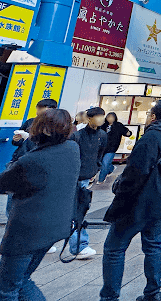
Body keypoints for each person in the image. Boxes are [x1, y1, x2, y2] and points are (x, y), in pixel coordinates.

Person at [99, 99, 161, 301]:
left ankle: (109, 296)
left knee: (114, 248)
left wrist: (120, 189)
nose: (146, 117)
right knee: (154, 246)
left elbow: (135, 173)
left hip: (138, 202)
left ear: (153, 117)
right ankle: (153, 293)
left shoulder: (150, 138)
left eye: (148, 114)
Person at [0, 109, 79, 301]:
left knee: (6, 288)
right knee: (22, 280)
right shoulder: (72, 149)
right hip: (56, 226)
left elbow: (0, 185)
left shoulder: (32, 161)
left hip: (28, 232)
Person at [7, 98, 58, 219]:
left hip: (37, 164)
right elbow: (18, 142)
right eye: (38, 108)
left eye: (41, 108)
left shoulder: (54, 126)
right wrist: (17, 140)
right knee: (12, 197)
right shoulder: (30, 122)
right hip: (20, 160)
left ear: (51, 109)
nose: (38, 110)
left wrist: (29, 138)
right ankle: (11, 219)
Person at [69, 106, 107, 259]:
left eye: (102, 116)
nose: (101, 119)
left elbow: (100, 154)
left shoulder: (102, 135)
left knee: (78, 211)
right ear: (89, 118)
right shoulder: (77, 136)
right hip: (74, 178)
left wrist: (96, 169)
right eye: (98, 116)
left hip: (87, 177)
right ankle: (79, 246)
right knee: (76, 213)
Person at [97, 112, 132, 184]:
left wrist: (128, 133)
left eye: (112, 117)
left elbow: (126, 132)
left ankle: (101, 179)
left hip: (112, 147)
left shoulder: (118, 125)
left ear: (115, 118)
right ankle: (111, 168)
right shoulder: (103, 125)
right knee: (101, 163)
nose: (110, 119)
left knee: (105, 163)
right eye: (108, 117)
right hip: (102, 147)